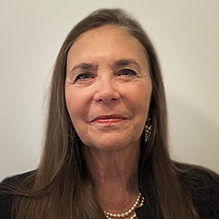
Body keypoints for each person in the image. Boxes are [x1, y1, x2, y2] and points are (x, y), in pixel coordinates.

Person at [0, 8, 219, 219]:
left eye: (126, 72)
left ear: (153, 97)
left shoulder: (208, 193)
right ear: (63, 101)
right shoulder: (10, 204)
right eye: (84, 76)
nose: (106, 93)